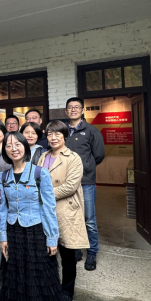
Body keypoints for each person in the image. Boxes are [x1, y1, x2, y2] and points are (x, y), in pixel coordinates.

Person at [0, 132, 65, 301]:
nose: (14, 148)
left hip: (36, 232)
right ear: (5, 150)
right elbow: (3, 208)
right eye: (9, 145)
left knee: (37, 279)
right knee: (19, 278)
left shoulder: (39, 173)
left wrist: (52, 238)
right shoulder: (4, 176)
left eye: (17, 144)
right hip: (14, 232)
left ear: (25, 147)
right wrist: (3, 237)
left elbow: (48, 207)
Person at [38, 120, 90, 301]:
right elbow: (36, 180)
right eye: (50, 134)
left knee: (68, 257)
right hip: (45, 211)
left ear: (65, 136)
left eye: (57, 134)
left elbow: (70, 186)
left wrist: (44, 193)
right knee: (48, 254)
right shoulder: (43, 157)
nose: (53, 138)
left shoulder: (73, 158)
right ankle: (50, 288)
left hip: (66, 211)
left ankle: (67, 292)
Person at [64, 97, 105, 271]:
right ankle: (76, 250)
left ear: (82, 110)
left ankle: (92, 252)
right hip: (66, 182)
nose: (73, 110)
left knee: (89, 219)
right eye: (70, 107)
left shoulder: (91, 131)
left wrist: (86, 167)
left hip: (86, 182)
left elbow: (99, 155)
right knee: (71, 218)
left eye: (76, 107)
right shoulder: (62, 130)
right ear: (66, 111)